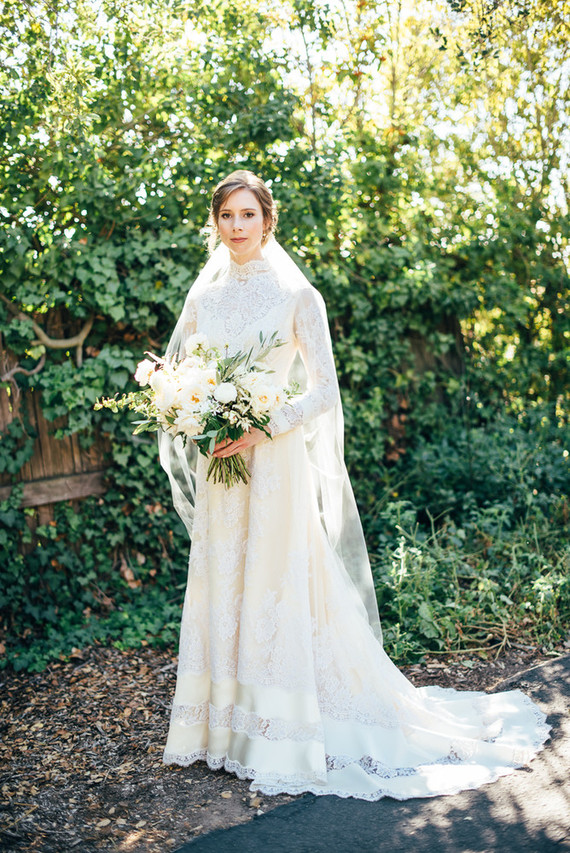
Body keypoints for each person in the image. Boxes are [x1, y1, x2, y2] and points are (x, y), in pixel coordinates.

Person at [159, 170, 549, 800]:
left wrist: (261, 427)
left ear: (267, 220)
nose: (236, 227)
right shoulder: (202, 300)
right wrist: (193, 413)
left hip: (272, 460)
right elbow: (186, 379)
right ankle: (222, 729)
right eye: (226, 216)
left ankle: (281, 733)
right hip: (221, 467)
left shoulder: (297, 296)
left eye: (247, 216)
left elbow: (324, 391)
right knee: (223, 579)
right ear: (215, 223)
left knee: (272, 584)